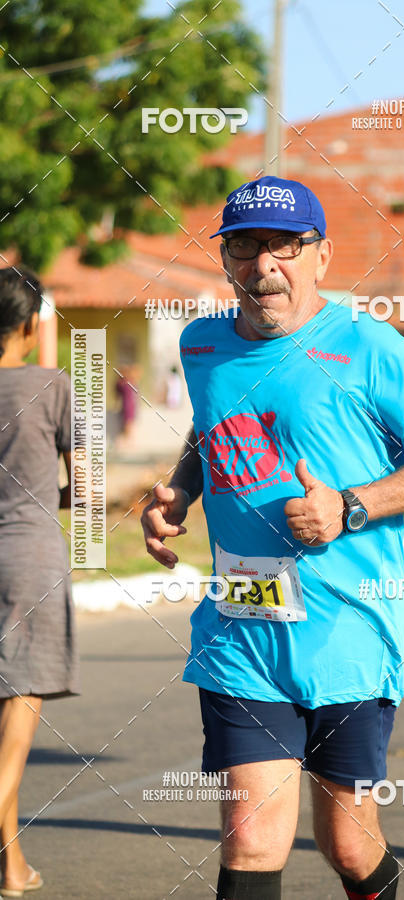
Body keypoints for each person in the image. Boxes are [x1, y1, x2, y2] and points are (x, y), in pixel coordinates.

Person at [141, 175, 404, 900]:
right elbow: (214, 426)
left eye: (285, 246)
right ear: (225, 259)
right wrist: (182, 490)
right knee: (253, 838)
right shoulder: (202, 344)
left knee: (347, 844)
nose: (264, 265)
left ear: (321, 256)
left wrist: (350, 506)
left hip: (347, 633)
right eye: (245, 247)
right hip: (242, 630)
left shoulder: (369, 347)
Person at [0, 268, 79, 897]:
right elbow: (88, 488)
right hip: (30, 558)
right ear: (31, 325)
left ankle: (12, 866)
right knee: (20, 705)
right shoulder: (53, 386)